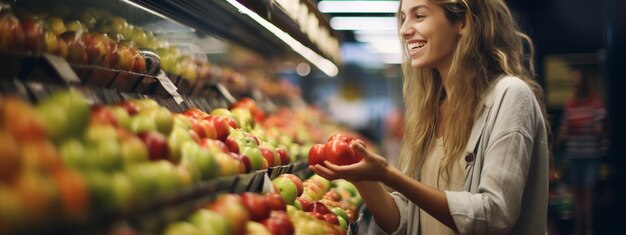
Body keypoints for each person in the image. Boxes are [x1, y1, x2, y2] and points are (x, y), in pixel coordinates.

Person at [310, 0, 550, 234]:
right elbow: (404, 221)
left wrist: (388, 175)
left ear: (463, 22)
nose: (404, 30)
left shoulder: (509, 96)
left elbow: (494, 217)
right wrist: (363, 179)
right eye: (403, 18)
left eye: (419, 16)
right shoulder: (428, 111)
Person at [555, 68, 606, 235]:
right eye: (573, 84)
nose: (574, 86)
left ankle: (588, 229)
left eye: (577, 83)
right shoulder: (570, 104)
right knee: (577, 194)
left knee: (587, 194)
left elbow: (600, 127)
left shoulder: (595, 102)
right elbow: (563, 128)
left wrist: (597, 129)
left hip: (591, 154)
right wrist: (556, 142)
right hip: (575, 154)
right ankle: (578, 230)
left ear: (584, 83)